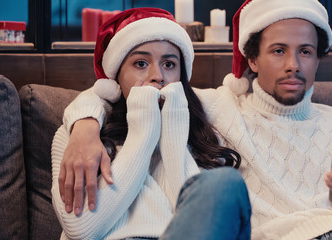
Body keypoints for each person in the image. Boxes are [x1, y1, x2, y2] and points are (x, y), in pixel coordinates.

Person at [59, 0, 332, 239]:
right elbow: (130, 96)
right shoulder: (220, 106)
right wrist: (84, 126)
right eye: (278, 51)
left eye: (306, 52)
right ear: (251, 60)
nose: (293, 64)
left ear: (318, 58)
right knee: (221, 185)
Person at [51, 8, 252, 240]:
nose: (158, 75)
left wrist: (172, 132)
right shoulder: (79, 136)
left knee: (226, 184)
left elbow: (198, 222)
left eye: (169, 64)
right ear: (116, 76)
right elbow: (81, 230)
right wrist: (143, 131)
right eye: (141, 63)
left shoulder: (202, 134)